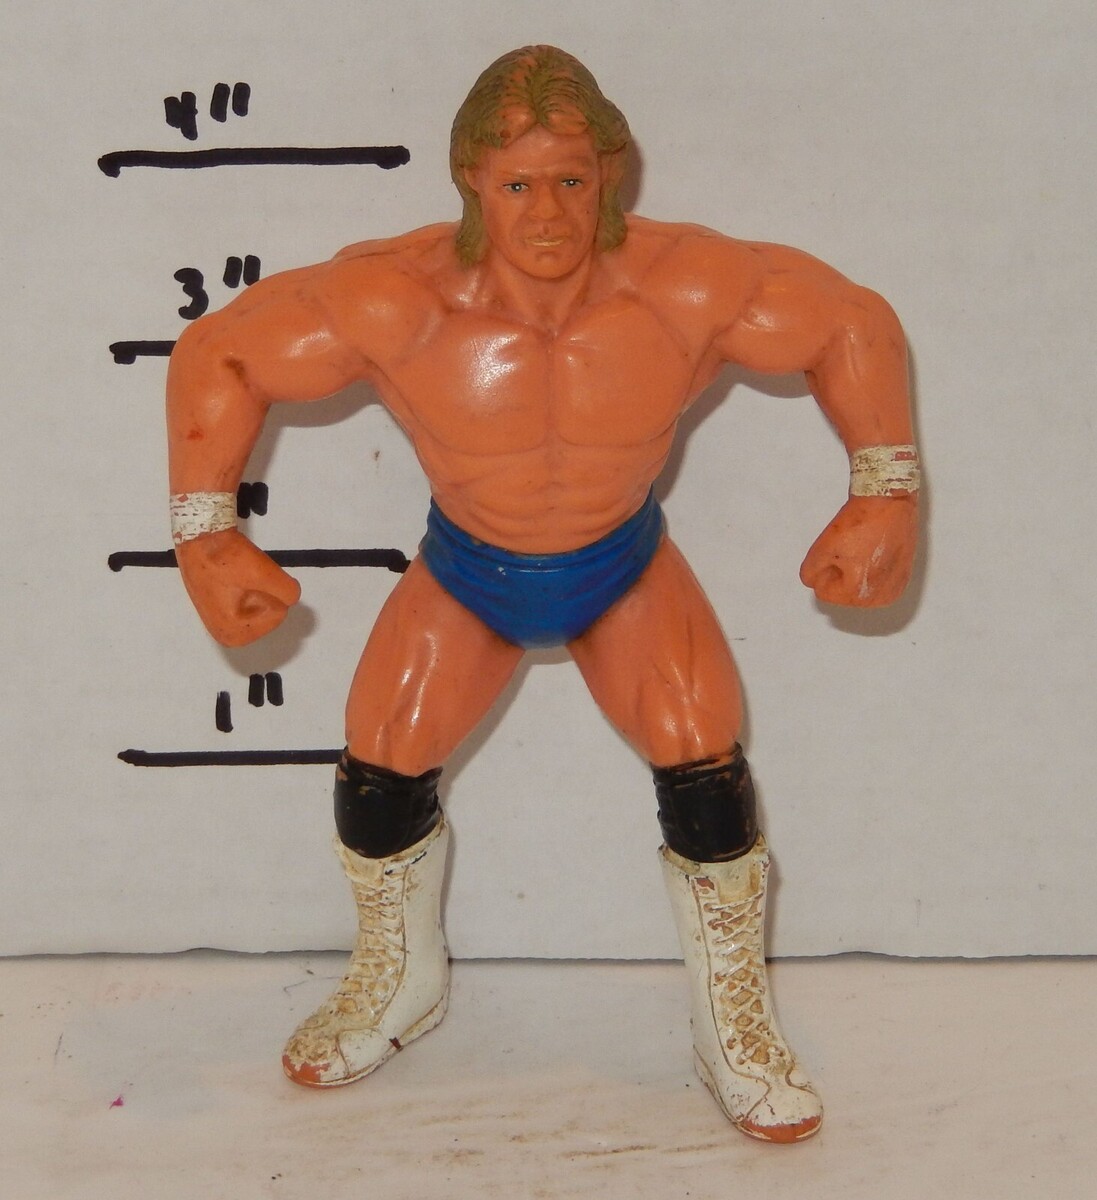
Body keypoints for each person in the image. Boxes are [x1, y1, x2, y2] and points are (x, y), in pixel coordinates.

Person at [167, 45, 918, 1143]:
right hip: (468, 568)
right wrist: (206, 534)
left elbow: (848, 319)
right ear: (471, 179)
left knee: (703, 762)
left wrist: (883, 491)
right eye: (517, 183)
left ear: (610, 170)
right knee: (380, 761)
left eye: (570, 178)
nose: (548, 212)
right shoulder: (396, 298)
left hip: (621, 565)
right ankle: (399, 978)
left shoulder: (685, 285)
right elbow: (221, 352)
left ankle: (731, 1022)